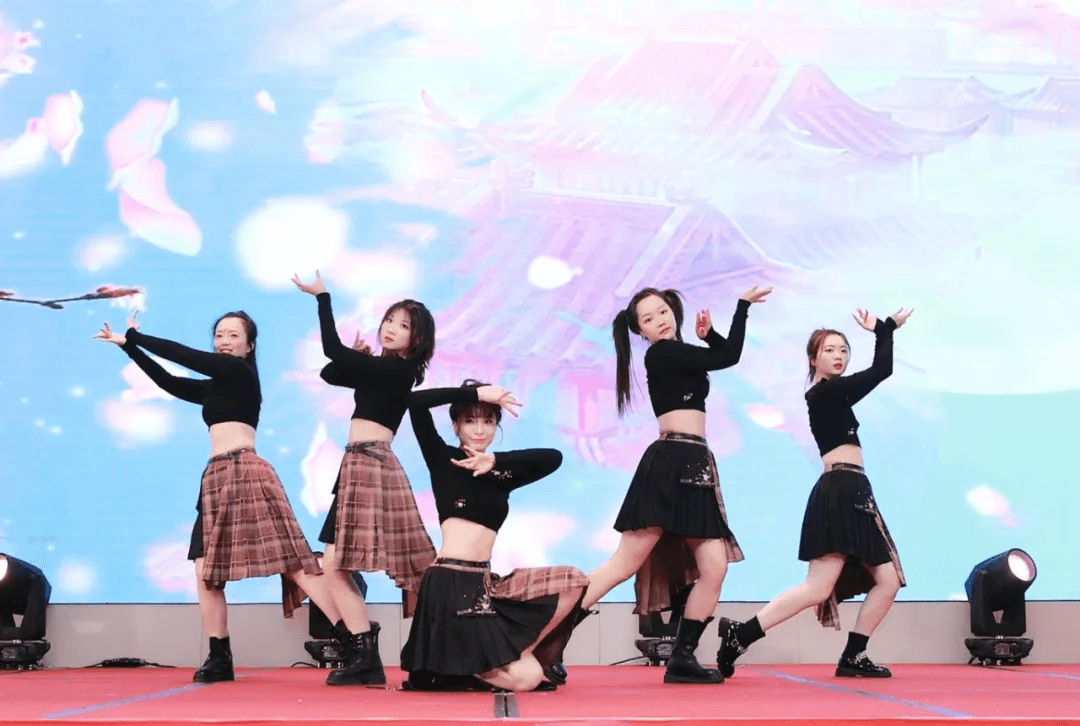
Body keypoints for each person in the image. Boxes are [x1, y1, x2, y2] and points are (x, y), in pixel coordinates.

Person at [95, 310, 337, 683]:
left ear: (249, 346)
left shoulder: (238, 373)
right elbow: (170, 382)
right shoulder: (218, 384)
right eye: (219, 334)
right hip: (216, 478)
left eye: (232, 335)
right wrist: (129, 348)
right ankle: (219, 656)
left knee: (292, 563)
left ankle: (354, 639)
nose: (223, 341)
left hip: (245, 470)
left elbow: (185, 357)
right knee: (204, 570)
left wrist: (136, 337)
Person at [575, 285, 771, 684]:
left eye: (662, 311)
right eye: (648, 319)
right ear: (640, 331)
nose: (659, 321)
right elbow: (729, 357)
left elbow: (718, 355)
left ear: (673, 311)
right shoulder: (662, 353)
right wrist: (742, 307)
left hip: (695, 460)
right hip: (670, 462)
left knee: (714, 567)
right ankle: (551, 637)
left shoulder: (678, 352)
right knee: (623, 564)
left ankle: (682, 656)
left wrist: (709, 336)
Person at [716, 307, 913, 679]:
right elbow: (882, 370)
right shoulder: (825, 393)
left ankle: (853, 655)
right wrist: (884, 329)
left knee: (887, 580)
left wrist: (882, 331)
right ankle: (741, 634)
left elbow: (878, 371)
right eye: (829, 350)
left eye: (843, 350)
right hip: (840, 490)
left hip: (855, 488)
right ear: (813, 359)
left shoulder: (836, 395)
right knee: (816, 589)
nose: (839, 356)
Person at [292, 272, 438, 685]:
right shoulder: (381, 369)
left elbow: (331, 350)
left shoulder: (400, 372)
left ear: (418, 339)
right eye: (389, 320)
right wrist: (355, 357)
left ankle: (365, 652)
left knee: (336, 561)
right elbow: (330, 373)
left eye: (403, 325)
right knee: (332, 561)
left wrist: (323, 298)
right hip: (356, 464)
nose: (391, 328)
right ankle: (362, 651)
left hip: (370, 464)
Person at [399, 381, 588, 693]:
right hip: (449, 582)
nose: (479, 429)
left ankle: (472, 667)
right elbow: (415, 401)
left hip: (484, 583)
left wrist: (496, 461)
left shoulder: (501, 475)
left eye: (488, 421)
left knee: (573, 581)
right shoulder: (443, 459)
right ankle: (463, 668)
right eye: (470, 420)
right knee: (528, 679)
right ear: (456, 426)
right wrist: (473, 394)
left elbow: (553, 457)